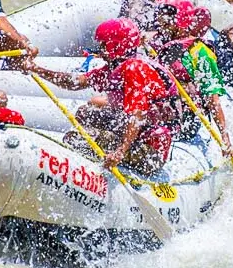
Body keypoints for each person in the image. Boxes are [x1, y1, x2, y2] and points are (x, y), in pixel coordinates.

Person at [19, 18, 180, 176]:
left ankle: (92, 177)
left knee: (76, 138)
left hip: (151, 151)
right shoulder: (118, 66)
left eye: (104, 45)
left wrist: (120, 151)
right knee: (85, 113)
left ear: (116, 45)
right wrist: (37, 69)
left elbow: (137, 114)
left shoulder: (134, 68)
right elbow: (75, 82)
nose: (100, 51)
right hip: (139, 133)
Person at [149, 0, 233, 154]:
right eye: (159, 14)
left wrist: (224, 136)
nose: (160, 20)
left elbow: (212, 98)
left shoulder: (199, 52)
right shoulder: (157, 42)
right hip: (157, 106)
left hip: (184, 118)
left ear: (181, 18)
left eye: (166, 15)